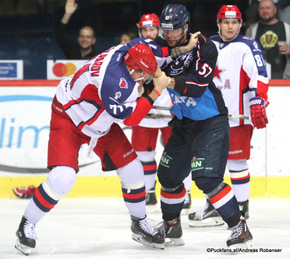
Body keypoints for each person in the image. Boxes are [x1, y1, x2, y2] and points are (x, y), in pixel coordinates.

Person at [14, 38, 173, 255]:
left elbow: (154, 45)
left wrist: (183, 47)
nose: (145, 78)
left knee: (134, 169)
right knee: (62, 178)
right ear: (132, 67)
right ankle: (26, 224)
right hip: (69, 118)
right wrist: (156, 91)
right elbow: (132, 119)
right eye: (143, 74)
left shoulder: (127, 51)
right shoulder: (114, 83)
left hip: (99, 119)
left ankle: (139, 222)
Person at [155, 3, 253, 248]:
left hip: (211, 122)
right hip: (183, 123)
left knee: (206, 178)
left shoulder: (205, 47)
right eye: (165, 31)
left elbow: (198, 86)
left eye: (175, 31)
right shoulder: (160, 48)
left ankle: (239, 227)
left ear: (186, 27)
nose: (169, 36)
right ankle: (171, 226)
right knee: (168, 177)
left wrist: (167, 80)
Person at [188, 5, 269, 227]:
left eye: (234, 22)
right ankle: (214, 205)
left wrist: (258, 99)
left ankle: (242, 208)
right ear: (219, 23)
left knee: (236, 160)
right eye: (226, 22)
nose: (230, 26)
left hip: (237, 115)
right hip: (208, 114)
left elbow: (260, 75)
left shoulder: (248, 45)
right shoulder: (207, 43)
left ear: (240, 23)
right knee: (210, 163)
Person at [132, 13, 192, 209]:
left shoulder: (168, 49)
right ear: (139, 29)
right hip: (144, 110)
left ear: (159, 29)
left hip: (169, 111)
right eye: (145, 29)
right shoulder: (133, 50)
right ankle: (149, 191)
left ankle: (186, 192)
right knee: (143, 153)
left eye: (152, 29)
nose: (148, 33)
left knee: (179, 153)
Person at [246, 0, 290, 79]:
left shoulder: (287, 28)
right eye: (262, 8)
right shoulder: (251, 30)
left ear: (275, 10)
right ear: (258, 10)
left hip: (283, 81)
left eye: (268, 8)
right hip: (258, 80)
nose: (265, 11)